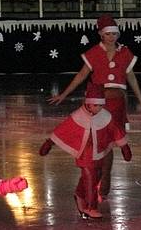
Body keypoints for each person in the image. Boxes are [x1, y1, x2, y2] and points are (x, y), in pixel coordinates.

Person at [48, 14, 141, 198]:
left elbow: (131, 77)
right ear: (101, 35)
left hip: (117, 103)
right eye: (108, 34)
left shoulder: (125, 53)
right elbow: (82, 75)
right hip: (97, 104)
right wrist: (64, 94)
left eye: (114, 34)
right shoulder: (94, 53)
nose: (112, 37)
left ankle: (104, 183)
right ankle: (93, 182)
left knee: (109, 143)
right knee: (97, 144)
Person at [40, 84, 131, 219]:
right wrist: (49, 142)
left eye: (100, 105)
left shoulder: (105, 116)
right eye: (95, 106)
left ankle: (80, 195)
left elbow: (116, 130)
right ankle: (90, 207)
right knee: (90, 178)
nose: (99, 108)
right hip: (85, 154)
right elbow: (64, 128)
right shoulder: (78, 116)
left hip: (100, 152)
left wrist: (124, 146)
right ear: (88, 104)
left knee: (97, 175)